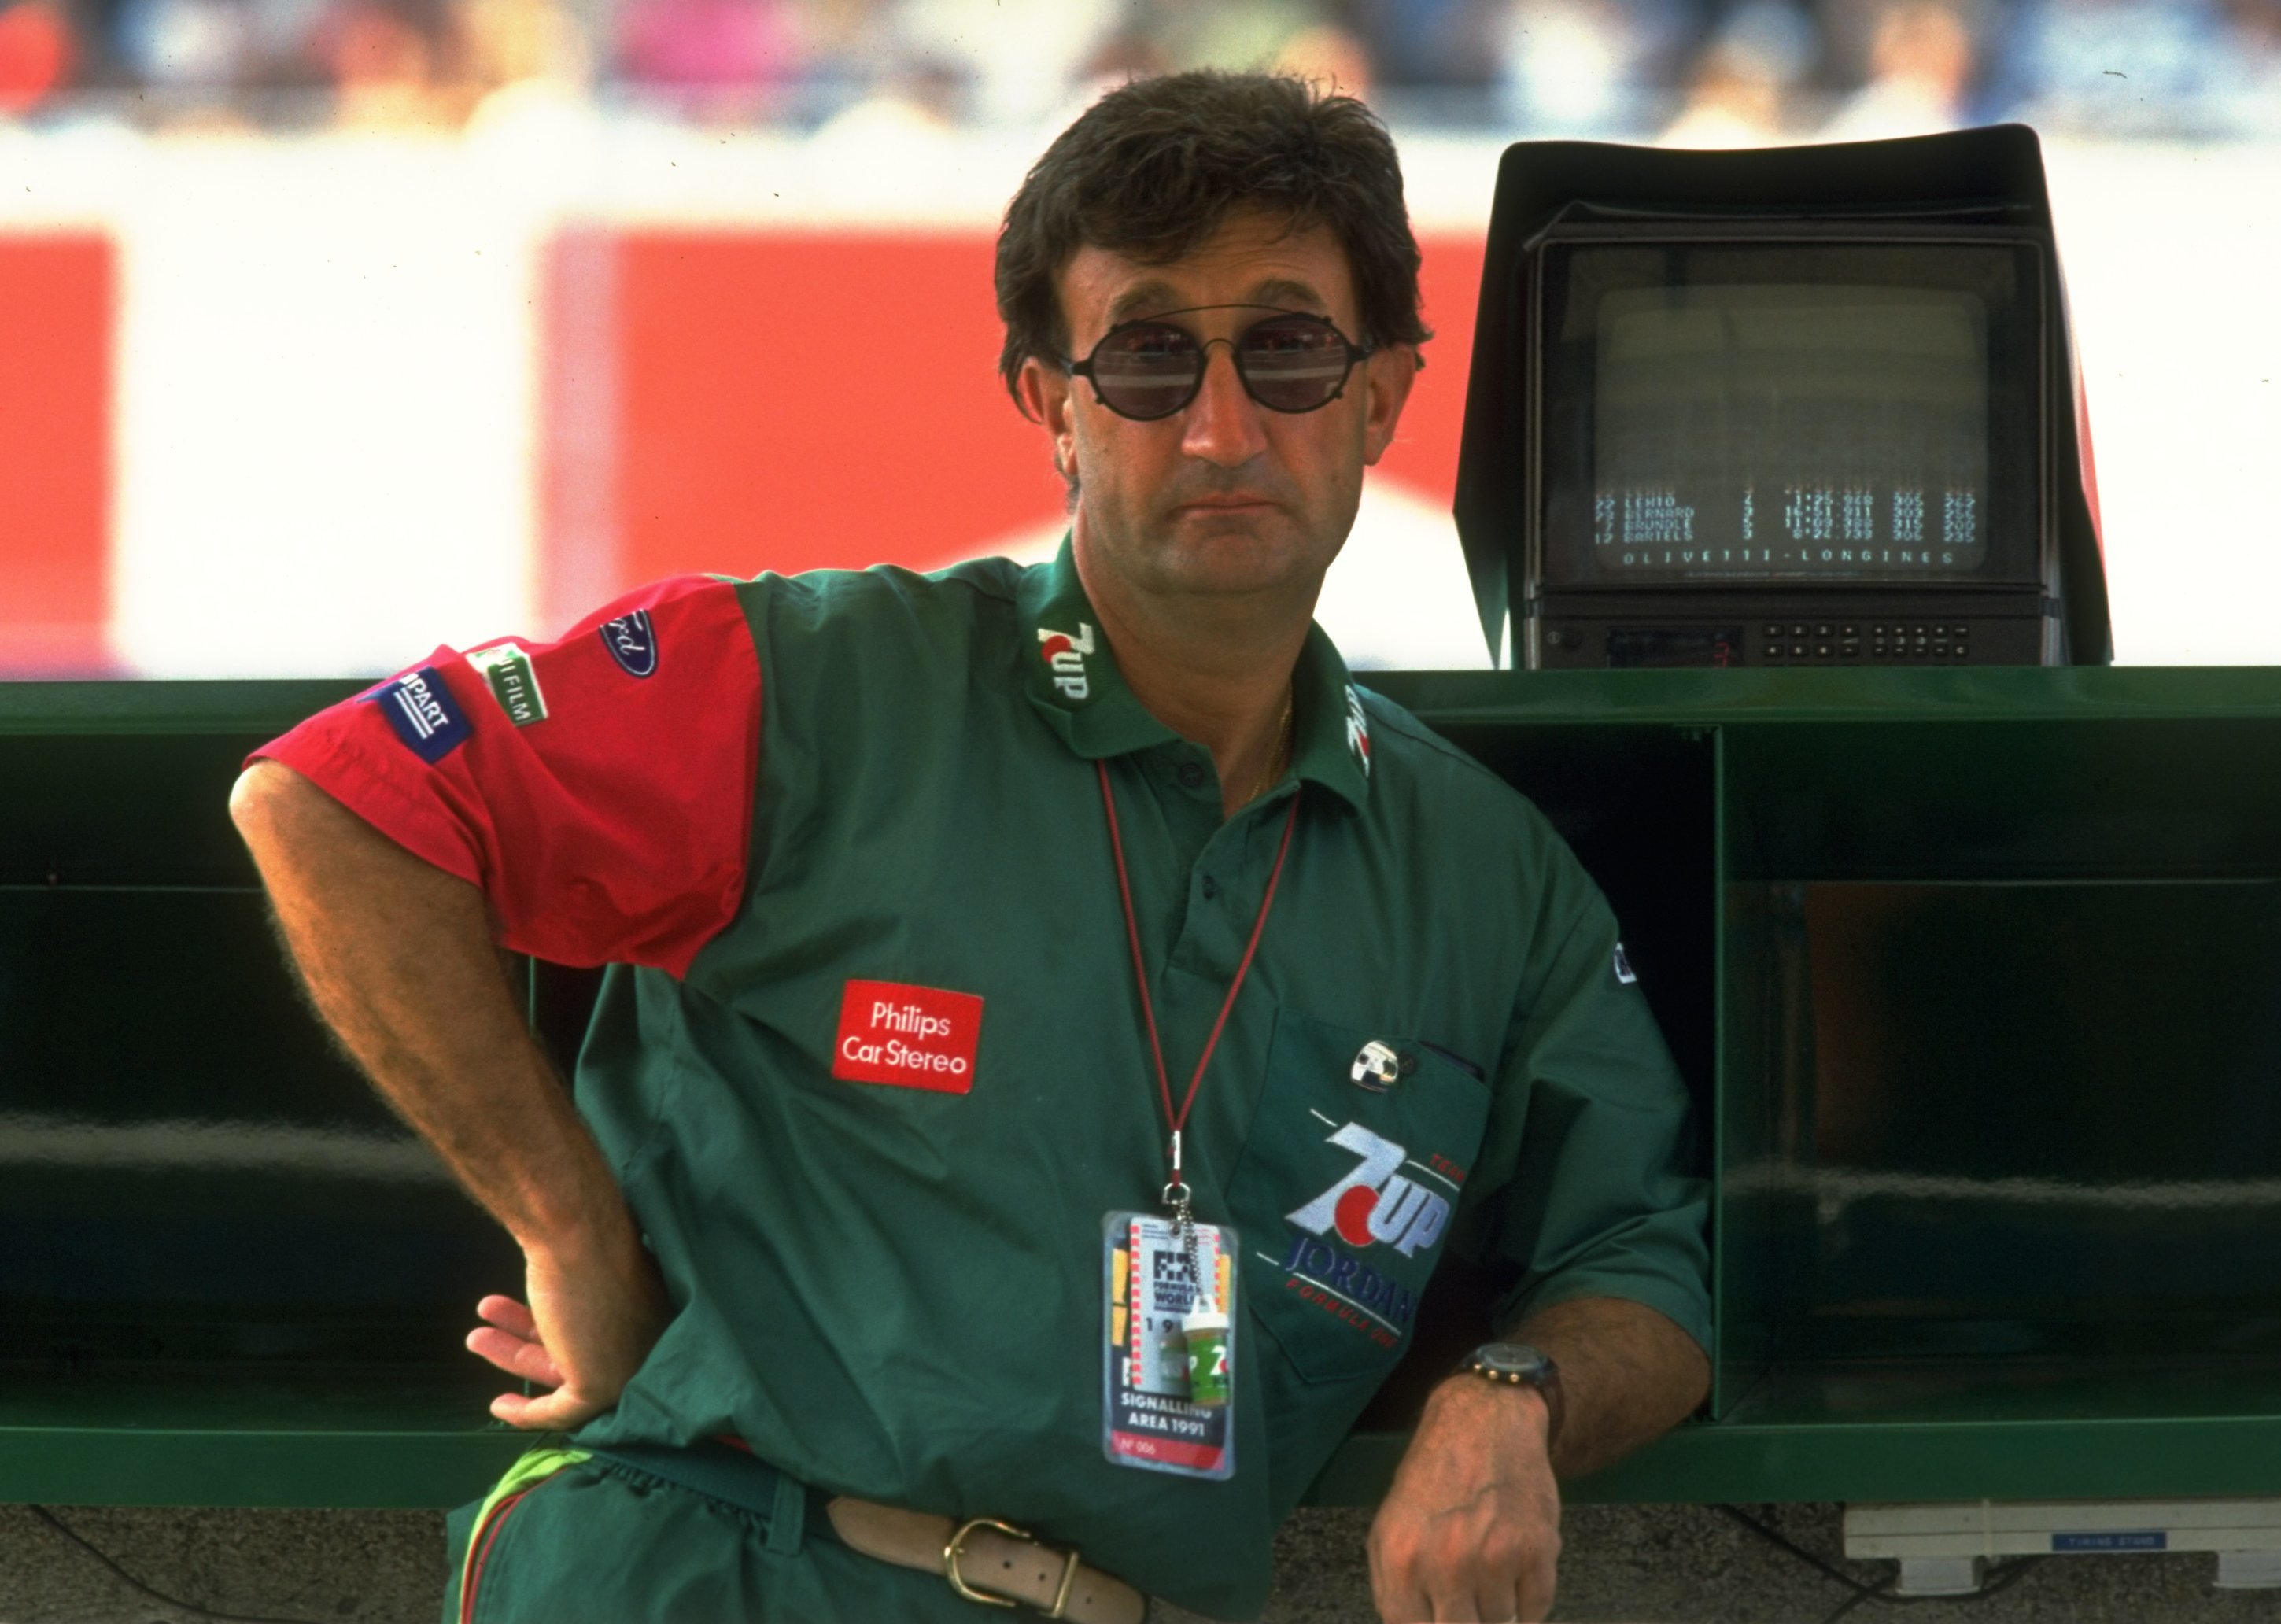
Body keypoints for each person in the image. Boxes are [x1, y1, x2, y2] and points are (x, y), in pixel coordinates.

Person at [229, 71, 1711, 1624]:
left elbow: (1653, 1259)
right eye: (1146, 358)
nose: (1220, 424)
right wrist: (567, 1224)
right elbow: (334, 800)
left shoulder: (1488, 873)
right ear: (1047, 406)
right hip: (718, 1572)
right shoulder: (820, 678)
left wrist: (1510, 1398)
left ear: (1384, 393)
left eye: (1285, 349)